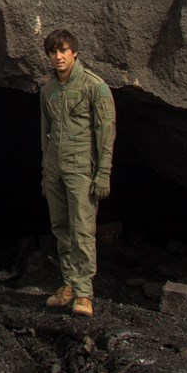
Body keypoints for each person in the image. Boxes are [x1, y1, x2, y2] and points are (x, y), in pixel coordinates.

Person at [39, 28, 116, 317]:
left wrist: (103, 172)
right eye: (53, 52)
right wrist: (46, 171)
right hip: (55, 168)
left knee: (82, 229)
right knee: (61, 227)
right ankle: (69, 284)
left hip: (81, 167)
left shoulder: (95, 87)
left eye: (63, 51)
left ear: (75, 52)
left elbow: (105, 132)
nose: (58, 57)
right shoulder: (48, 91)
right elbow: (44, 135)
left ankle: (84, 293)